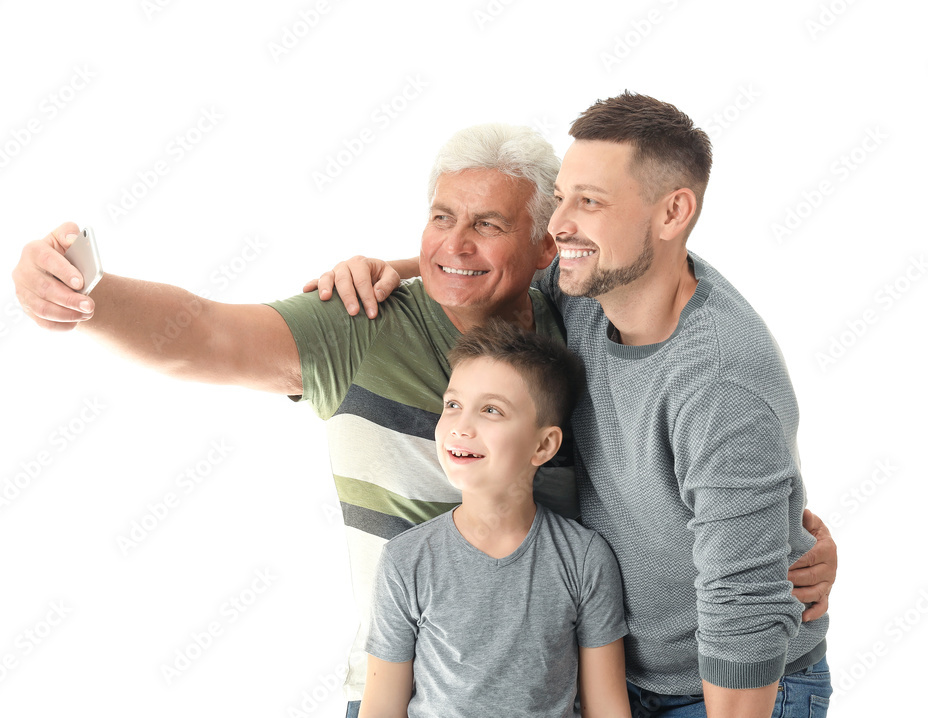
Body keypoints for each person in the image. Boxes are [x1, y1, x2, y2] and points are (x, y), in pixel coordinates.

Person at [12, 120, 835, 717]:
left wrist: (780, 557)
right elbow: (199, 333)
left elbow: (727, 527)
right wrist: (84, 295)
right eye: (441, 217)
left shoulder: (579, 318)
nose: (456, 242)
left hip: (601, 690)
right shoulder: (359, 326)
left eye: (488, 224)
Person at [309, 93, 835, 717]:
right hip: (610, 668)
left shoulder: (719, 378)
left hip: (724, 686)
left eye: (590, 202)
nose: (559, 224)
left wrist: (776, 548)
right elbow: (502, 263)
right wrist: (385, 268)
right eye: (561, 196)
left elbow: (741, 608)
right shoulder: (591, 284)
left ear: (673, 212)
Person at [360, 320, 630, 718]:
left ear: (543, 445)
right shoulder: (405, 561)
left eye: (491, 410)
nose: (461, 427)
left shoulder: (585, 560)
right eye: (453, 405)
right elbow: (381, 708)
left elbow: (606, 707)